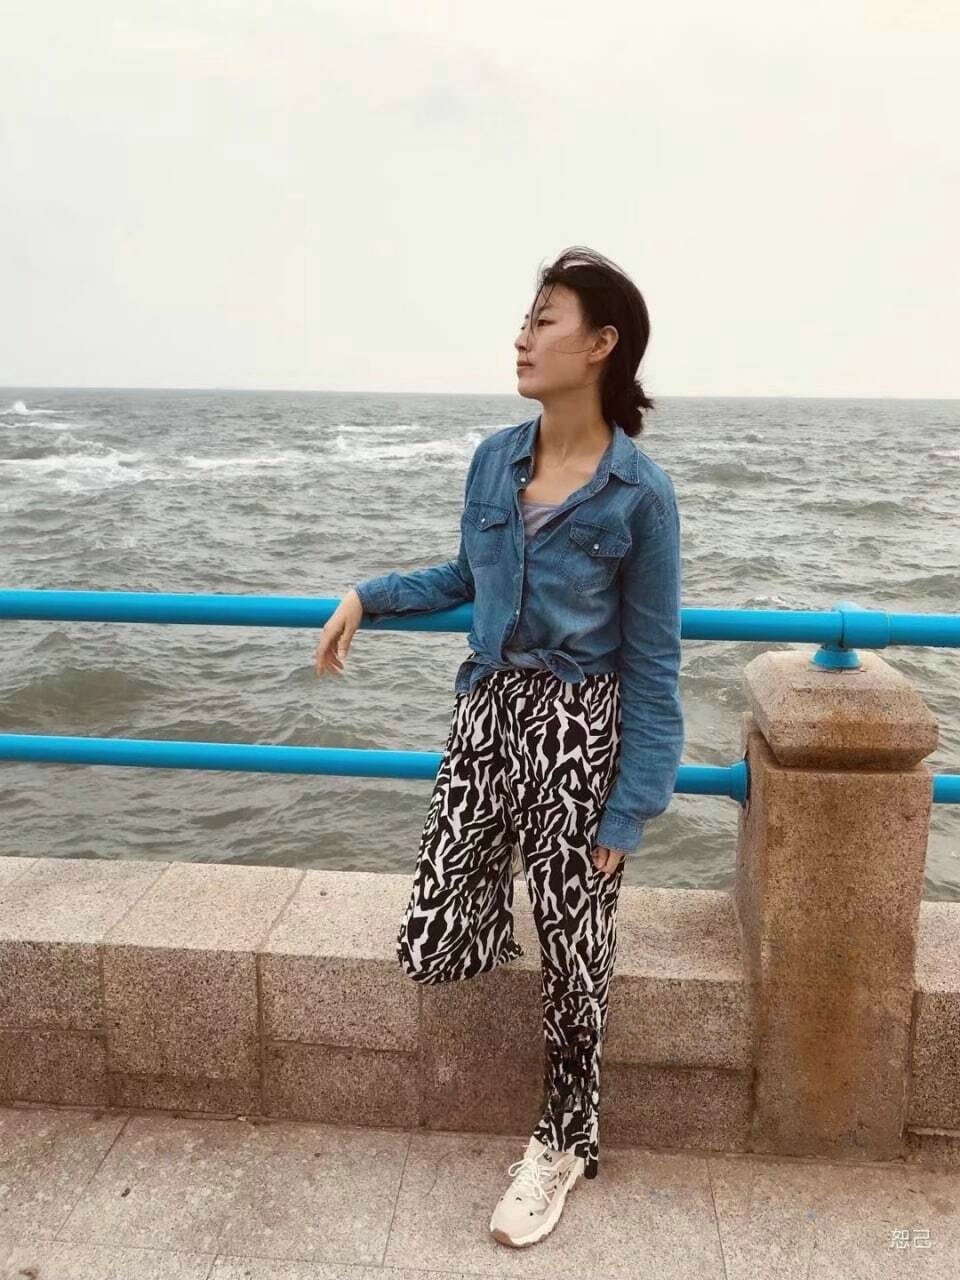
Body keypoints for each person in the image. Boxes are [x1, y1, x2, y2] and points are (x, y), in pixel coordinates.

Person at [315, 245, 684, 1248]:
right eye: (525, 318)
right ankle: (536, 939)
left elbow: (655, 664)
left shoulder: (640, 494)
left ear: (601, 344)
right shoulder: (494, 459)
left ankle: (563, 1139)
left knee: (576, 950)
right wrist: (366, 595)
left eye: (544, 319)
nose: (522, 337)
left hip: (579, 732)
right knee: (440, 921)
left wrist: (629, 810)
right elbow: (465, 575)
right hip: (486, 715)